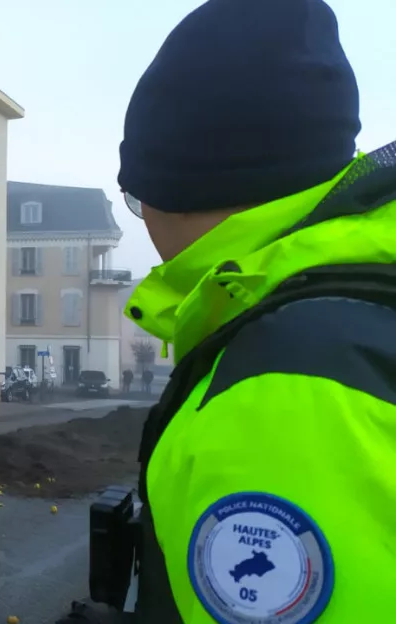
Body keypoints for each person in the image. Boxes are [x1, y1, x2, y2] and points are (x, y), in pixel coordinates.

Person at [79, 0, 396, 622]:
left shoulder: (281, 390)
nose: (143, 220)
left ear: (184, 189)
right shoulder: (359, 303)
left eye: (137, 196)